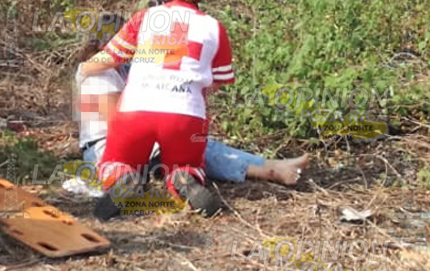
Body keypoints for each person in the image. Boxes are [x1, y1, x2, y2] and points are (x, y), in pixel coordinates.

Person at [73, 16, 307, 194]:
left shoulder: (122, 69)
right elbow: (117, 124)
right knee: (201, 146)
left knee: (195, 142)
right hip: (106, 151)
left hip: (132, 144)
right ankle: (270, 170)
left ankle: (265, 165)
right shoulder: (96, 75)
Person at [79, 0, 233, 220]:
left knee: (116, 161)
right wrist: (190, 91)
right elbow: (219, 79)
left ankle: (123, 179)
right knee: (187, 163)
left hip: (136, 111)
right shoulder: (214, 27)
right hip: (186, 116)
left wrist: (84, 69)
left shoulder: (145, 18)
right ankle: (184, 179)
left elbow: (110, 58)